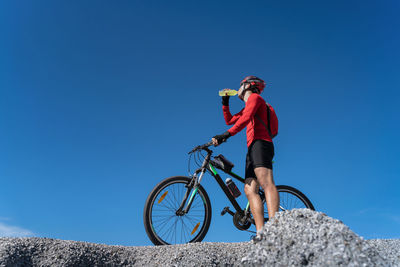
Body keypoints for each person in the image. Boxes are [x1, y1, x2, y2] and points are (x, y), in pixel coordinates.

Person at [211, 76, 279, 240]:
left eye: (240, 85)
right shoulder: (249, 104)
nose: (239, 88)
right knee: (249, 190)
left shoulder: (255, 98)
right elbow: (230, 120)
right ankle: (261, 233)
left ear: (248, 85)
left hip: (261, 143)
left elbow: (246, 119)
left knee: (266, 182)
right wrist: (225, 103)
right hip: (252, 148)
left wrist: (225, 136)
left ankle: (276, 230)